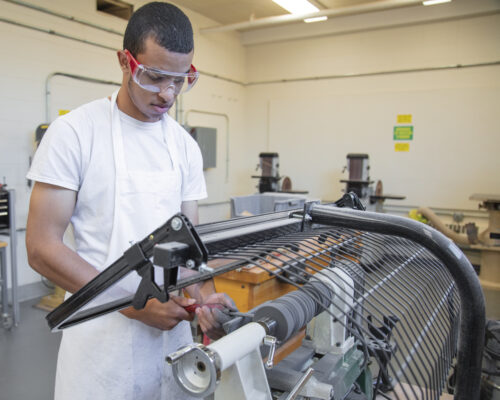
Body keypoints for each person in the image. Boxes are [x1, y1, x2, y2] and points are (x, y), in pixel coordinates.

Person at [25, 3, 234, 399]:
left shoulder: (184, 148)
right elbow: (41, 247)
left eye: (181, 80)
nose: (168, 94)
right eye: (155, 77)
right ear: (125, 61)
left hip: (171, 346)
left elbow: (189, 252)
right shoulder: (75, 134)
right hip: (98, 347)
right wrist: (131, 305)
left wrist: (205, 301)